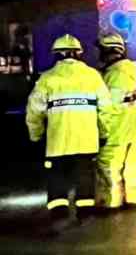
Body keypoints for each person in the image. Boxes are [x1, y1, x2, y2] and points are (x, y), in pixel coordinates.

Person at [25, 34, 115, 225]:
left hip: (57, 141)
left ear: (56, 55)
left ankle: (59, 211)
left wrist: (36, 136)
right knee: (85, 173)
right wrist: (103, 132)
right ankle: (85, 211)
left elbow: (34, 111)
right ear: (79, 54)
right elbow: (106, 109)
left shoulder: (47, 79)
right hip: (86, 139)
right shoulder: (93, 77)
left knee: (56, 174)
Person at [95, 33, 136, 210]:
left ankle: (111, 202)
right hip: (133, 128)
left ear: (109, 51)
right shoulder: (127, 70)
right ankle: (134, 199)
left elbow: (111, 107)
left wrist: (102, 131)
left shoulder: (115, 74)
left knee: (109, 167)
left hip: (117, 130)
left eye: (101, 50)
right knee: (132, 166)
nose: (100, 54)